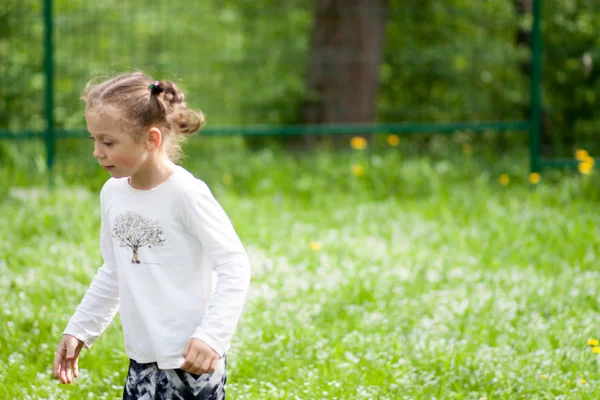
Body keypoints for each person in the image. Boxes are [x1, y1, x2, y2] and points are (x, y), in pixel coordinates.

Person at [52, 72, 251, 400]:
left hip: (193, 361)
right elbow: (114, 271)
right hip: (142, 360)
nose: (97, 153)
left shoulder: (186, 194)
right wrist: (79, 329)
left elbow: (234, 265)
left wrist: (212, 337)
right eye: (94, 140)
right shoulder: (113, 193)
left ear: (151, 139)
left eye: (108, 142)